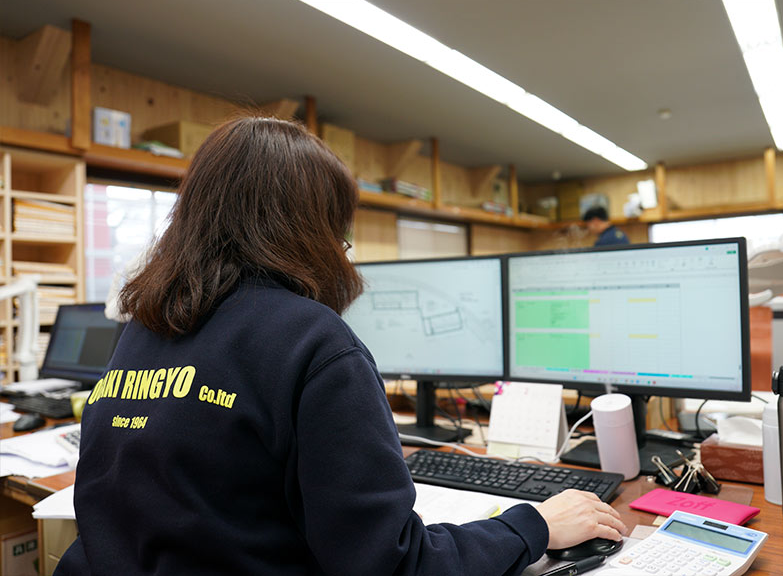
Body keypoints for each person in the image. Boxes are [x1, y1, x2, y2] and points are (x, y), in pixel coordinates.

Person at [55, 117, 625, 576]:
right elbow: (392, 562)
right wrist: (533, 525)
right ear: (312, 231)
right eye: (340, 233)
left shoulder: (147, 326)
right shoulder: (313, 341)